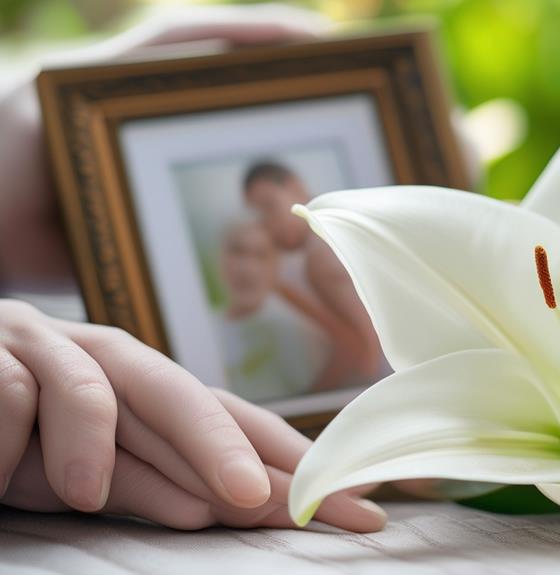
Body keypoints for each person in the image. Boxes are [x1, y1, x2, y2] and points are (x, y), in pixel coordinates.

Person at [0, 5, 387, 532]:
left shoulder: (318, 270)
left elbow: (362, 356)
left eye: (268, 216)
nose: (268, 232)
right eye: (243, 239)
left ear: (297, 192)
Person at [242, 160, 388, 385]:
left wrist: (315, 403)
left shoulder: (319, 258)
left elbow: (368, 348)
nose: (268, 225)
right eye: (260, 216)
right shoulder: (344, 227)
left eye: (270, 206)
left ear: (295, 186)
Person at [215, 221, 330, 402]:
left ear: (276, 265)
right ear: (221, 258)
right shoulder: (204, 328)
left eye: (261, 256)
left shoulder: (297, 330)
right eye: (238, 252)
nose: (247, 269)